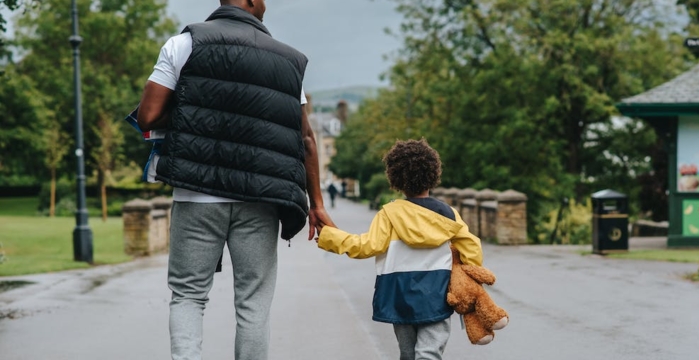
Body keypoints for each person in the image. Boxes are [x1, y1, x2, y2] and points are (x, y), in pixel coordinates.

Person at [136, 1, 334, 359]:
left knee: (188, 296)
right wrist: (317, 204)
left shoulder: (184, 44)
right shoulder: (288, 62)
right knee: (253, 304)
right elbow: (305, 138)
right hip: (260, 200)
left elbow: (149, 115)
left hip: (196, 196)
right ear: (252, 1)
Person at [316, 139, 484, 360]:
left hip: (398, 294)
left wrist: (330, 235)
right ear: (433, 174)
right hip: (437, 293)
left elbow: (365, 247)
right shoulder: (448, 214)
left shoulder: (389, 214)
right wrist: (468, 276)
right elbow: (472, 246)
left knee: (407, 353)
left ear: (396, 178)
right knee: (429, 353)